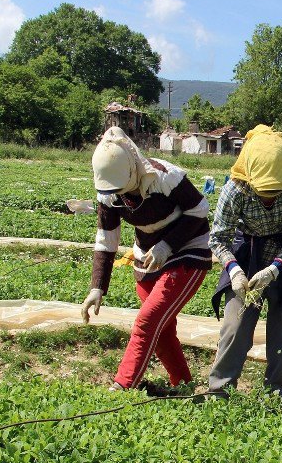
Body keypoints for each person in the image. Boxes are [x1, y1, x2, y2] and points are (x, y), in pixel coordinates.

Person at [80, 126, 212, 392]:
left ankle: (123, 385)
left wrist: (167, 245)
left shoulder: (165, 177)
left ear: (132, 169)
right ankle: (184, 387)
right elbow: (107, 239)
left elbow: (200, 209)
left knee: (147, 321)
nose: (122, 195)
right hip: (147, 256)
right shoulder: (109, 193)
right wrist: (97, 287)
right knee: (160, 331)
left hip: (187, 249)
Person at [207, 125, 282, 401]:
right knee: (235, 327)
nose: (270, 197)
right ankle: (219, 392)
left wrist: (276, 268)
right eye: (264, 192)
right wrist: (234, 270)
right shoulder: (234, 189)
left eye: (276, 191)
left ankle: (276, 396)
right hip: (247, 255)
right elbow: (218, 238)